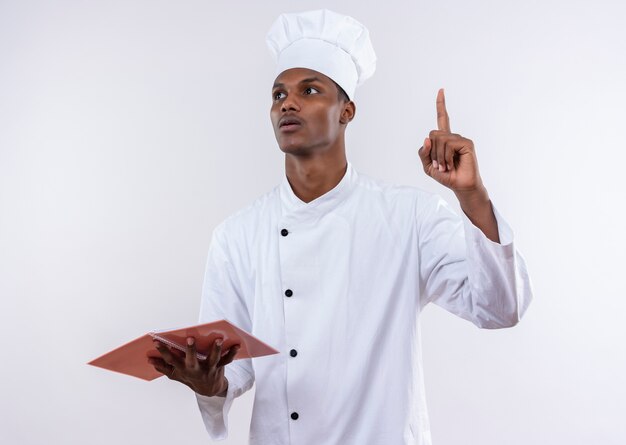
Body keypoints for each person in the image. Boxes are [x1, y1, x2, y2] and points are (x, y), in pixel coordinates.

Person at [148, 9, 533, 445]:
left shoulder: (409, 217)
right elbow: (233, 369)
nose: (287, 103)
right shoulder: (236, 236)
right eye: (278, 95)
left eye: (309, 90)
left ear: (346, 110)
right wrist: (208, 382)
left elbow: (501, 309)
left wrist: (472, 196)